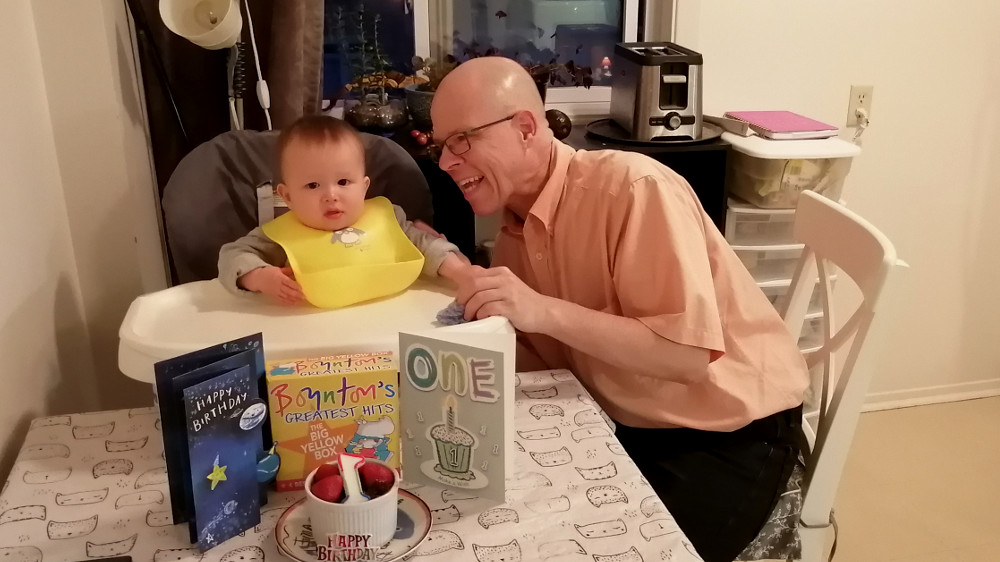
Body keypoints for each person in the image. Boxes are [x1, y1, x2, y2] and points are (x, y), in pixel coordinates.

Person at [431, 57, 809, 562]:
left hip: (727, 428)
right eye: (439, 146)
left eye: (461, 140)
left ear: (525, 127)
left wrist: (540, 311)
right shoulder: (514, 229)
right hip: (626, 422)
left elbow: (686, 359)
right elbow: (545, 360)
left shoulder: (633, 188)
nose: (445, 162)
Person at [218, 115, 470, 304]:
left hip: (385, 323)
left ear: (363, 187)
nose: (330, 196)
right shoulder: (278, 237)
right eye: (313, 185)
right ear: (287, 196)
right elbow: (232, 255)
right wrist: (260, 276)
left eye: (343, 182)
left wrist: (462, 273)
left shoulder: (389, 219)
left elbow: (427, 246)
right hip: (309, 333)